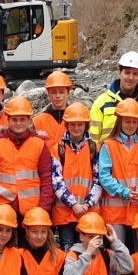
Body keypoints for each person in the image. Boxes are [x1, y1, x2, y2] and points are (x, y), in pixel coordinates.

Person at [96, 97, 138, 244]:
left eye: (134, 121)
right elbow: (104, 176)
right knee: (118, 254)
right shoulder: (108, 145)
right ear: (120, 121)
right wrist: (124, 192)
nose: (131, 125)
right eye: (127, 121)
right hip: (115, 212)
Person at [0, 96, 54, 217]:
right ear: (8, 119)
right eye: (14, 119)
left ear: (29, 120)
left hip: (33, 210)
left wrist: (43, 209)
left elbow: (47, 180)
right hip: (3, 209)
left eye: (22, 119)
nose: (18, 123)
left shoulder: (39, 144)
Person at [49, 103, 101, 248]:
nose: (76, 128)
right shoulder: (58, 149)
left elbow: (99, 180)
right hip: (65, 211)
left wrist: (87, 204)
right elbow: (56, 181)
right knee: (67, 247)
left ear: (86, 125)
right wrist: (73, 204)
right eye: (72, 124)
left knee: (86, 249)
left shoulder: (94, 148)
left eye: (80, 124)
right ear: (66, 125)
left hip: (88, 210)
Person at [89, 50, 138, 142]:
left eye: (135, 74)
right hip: (107, 155)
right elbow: (92, 140)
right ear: (119, 72)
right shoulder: (101, 103)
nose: (131, 78)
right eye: (127, 72)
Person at [34, 70, 76, 139]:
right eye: (53, 92)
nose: (57, 96)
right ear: (48, 94)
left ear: (68, 93)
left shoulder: (77, 120)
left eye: (62, 92)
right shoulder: (38, 122)